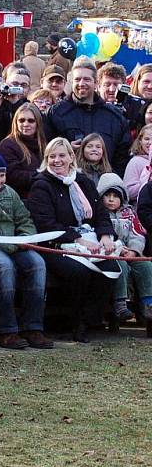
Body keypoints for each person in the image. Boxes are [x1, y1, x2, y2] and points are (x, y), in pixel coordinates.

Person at [26, 137, 118, 343]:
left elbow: (100, 213)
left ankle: (89, 319)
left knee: (111, 267)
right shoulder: (41, 185)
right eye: (52, 156)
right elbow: (45, 223)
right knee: (79, 272)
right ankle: (73, 322)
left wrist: (104, 235)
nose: (57, 160)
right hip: (55, 244)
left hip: (89, 237)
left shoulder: (83, 181)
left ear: (70, 157)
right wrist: (77, 239)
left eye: (61, 155)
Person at [0, 151, 53, 350]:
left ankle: (33, 327)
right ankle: (5, 330)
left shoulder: (10, 193)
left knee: (37, 264)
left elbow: (25, 220)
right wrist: (11, 243)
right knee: (4, 267)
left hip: (14, 244)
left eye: (2, 175)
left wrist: (25, 238)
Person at [46, 56, 131, 175]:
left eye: (86, 79)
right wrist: (64, 148)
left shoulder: (114, 116)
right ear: (71, 82)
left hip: (105, 185)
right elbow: (44, 148)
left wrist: (111, 181)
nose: (81, 83)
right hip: (67, 183)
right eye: (77, 79)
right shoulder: (56, 113)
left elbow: (122, 155)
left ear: (96, 82)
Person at [96, 173, 152, 324]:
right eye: (108, 195)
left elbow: (137, 234)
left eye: (116, 195)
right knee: (121, 266)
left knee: (146, 265)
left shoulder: (130, 213)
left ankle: (148, 303)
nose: (112, 199)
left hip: (130, 252)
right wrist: (118, 249)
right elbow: (99, 234)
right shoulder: (99, 215)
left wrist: (134, 251)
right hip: (111, 253)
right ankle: (120, 302)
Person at [0, 102, 46, 199]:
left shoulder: (44, 143)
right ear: (16, 122)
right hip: (19, 199)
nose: (26, 124)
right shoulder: (7, 144)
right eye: (21, 120)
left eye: (31, 121)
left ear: (38, 123)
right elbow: (13, 175)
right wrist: (43, 175)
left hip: (43, 195)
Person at [123, 125, 152, 203]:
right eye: (147, 139)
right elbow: (128, 191)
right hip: (142, 208)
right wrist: (147, 183)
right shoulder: (135, 162)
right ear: (140, 141)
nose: (150, 142)